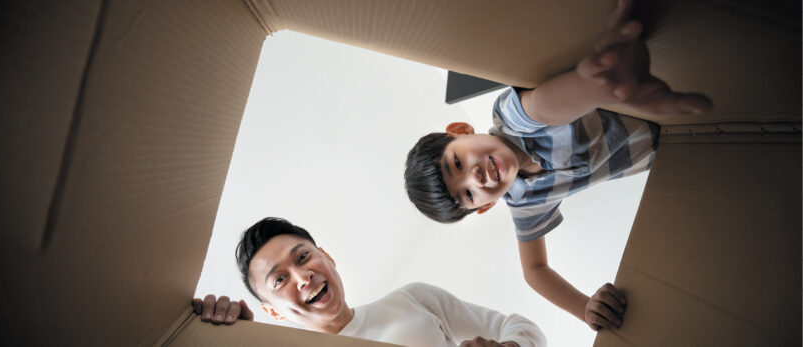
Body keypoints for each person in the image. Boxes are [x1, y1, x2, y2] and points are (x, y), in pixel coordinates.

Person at [403, 0, 712, 332]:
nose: (475, 177)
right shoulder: (524, 200)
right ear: (485, 205)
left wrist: (594, 86)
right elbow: (534, 271)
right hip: (668, 152)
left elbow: (543, 106)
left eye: (458, 162)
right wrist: (585, 309)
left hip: (648, 95)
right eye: (467, 194)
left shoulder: (509, 117)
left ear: (461, 131)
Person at [193, 217, 546, 347]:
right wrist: (218, 337)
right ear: (273, 311)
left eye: (303, 257)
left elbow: (524, 328)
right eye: (280, 279)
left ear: (327, 257)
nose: (303, 277)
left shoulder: (414, 299)